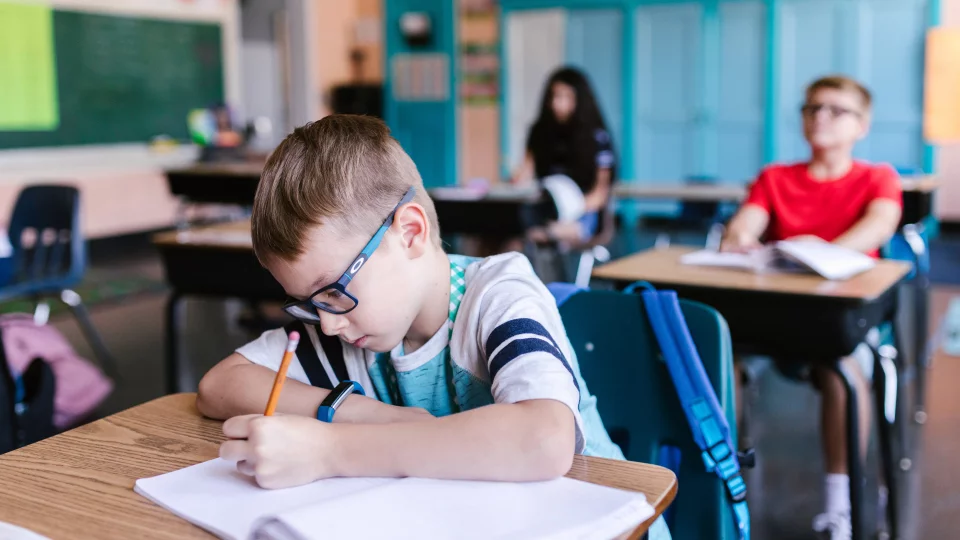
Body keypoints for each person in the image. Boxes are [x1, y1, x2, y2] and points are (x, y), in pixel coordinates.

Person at [196, 115, 671, 538]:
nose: (327, 322)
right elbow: (219, 385)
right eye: (308, 304)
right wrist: (355, 411)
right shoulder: (352, 324)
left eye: (334, 292)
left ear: (410, 233)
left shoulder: (497, 294)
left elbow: (544, 440)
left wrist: (330, 449)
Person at [721, 75, 902, 540]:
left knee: (844, 373)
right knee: (720, 359)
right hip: (779, 313)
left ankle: (840, 502)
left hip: (838, 319)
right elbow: (744, 228)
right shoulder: (775, 177)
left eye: (835, 110)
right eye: (811, 108)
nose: (820, 117)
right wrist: (739, 240)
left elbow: (879, 227)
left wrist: (824, 258)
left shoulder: (877, 177)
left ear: (862, 125)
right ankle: (723, 484)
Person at [512, 67, 616, 243]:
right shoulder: (539, 132)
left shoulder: (597, 137)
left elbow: (599, 194)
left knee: (538, 234)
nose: (557, 103)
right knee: (499, 232)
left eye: (566, 97)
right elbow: (524, 175)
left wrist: (570, 206)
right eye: (554, 96)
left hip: (581, 210)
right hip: (545, 205)